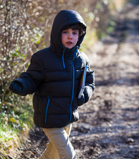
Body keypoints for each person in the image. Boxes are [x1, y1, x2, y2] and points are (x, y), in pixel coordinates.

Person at [9, 10, 95, 159]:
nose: (70, 36)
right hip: (49, 117)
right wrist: (22, 84)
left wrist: (85, 93)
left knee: (52, 154)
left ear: (80, 36)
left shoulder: (82, 59)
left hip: (68, 116)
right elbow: (32, 78)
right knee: (69, 155)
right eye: (65, 32)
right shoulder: (43, 58)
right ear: (56, 33)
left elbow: (89, 81)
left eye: (75, 33)